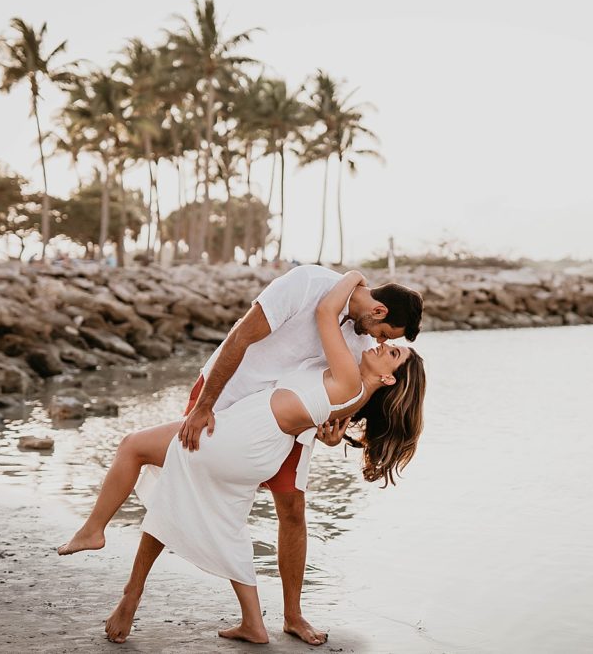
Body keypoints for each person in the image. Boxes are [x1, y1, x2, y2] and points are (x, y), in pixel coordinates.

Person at [57, 265, 424, 644]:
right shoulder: (309, 285)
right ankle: (135, 595)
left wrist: (335, 433)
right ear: (378, 311)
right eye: (382, 334)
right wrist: (205, 404)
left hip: (275, 428)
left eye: (385, 341)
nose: (375, 341)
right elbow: (241, 336)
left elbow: (353, 397)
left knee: (287, 510)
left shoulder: (364, 347)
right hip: (229, 398)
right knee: (188, 490)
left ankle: (292, 615)